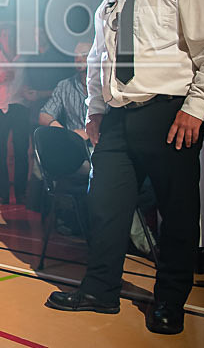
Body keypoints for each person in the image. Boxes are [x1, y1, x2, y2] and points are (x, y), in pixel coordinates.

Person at [45, 0, 204, 335]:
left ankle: (170, 301)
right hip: (115, 120)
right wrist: (94, 112)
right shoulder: (109, 4)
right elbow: (97, 62)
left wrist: (196, 107)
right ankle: (100, 290)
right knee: (105, 206)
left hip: (169, 116)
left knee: (177, 212)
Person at [38, 43, 157, 254]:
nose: (79, 61)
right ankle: (145, 245)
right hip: (78, 155)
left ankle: (122, 238)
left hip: (108, 149)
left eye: (83, 56)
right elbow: (44, 115)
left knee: (127, 184)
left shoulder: (109, 85)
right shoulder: (65, 86)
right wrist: (69, 133)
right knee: (112, 183)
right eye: (75, 58)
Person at [0, 23, 30, 205]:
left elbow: (32, 78)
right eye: (4, 35)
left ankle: (21, 194)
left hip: (20, 107)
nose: (7, 38)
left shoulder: (24, 57)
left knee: (21, 153)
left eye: (10, 35)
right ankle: (1, 194)